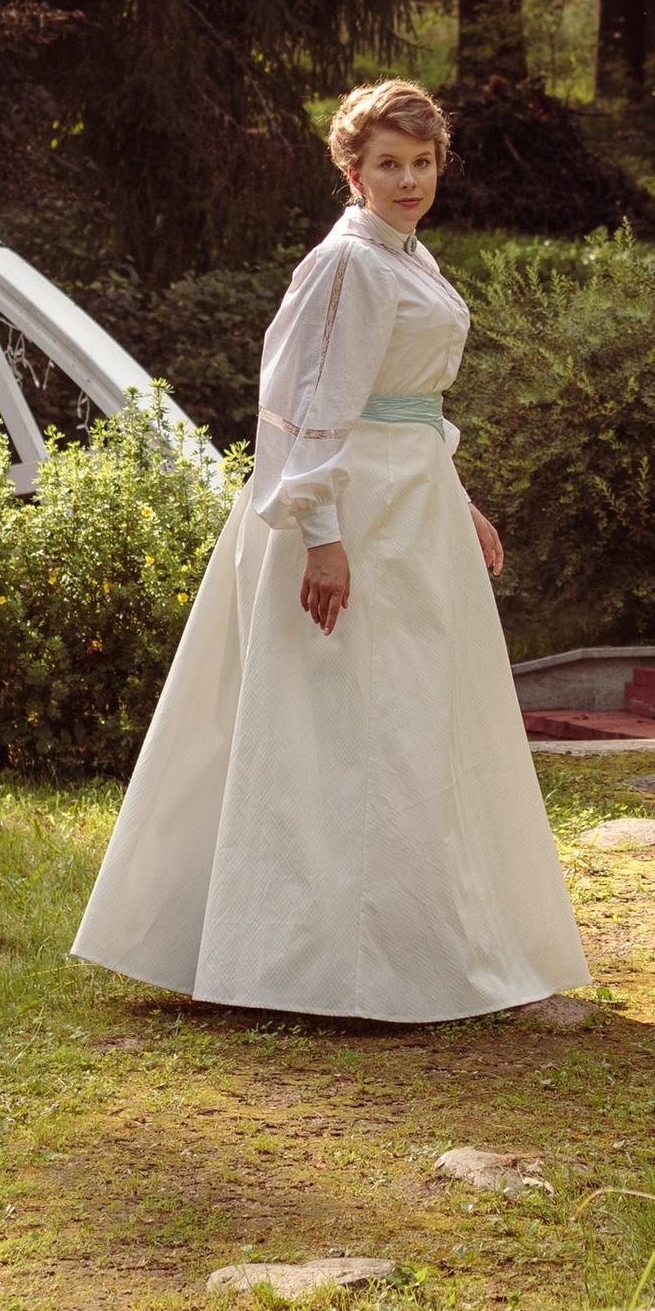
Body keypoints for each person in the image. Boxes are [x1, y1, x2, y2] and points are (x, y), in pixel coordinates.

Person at [72, 78, 590, 1023]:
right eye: (388, 164)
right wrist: (321, 540)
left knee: (408, 721)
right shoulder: (348, 263)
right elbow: (308, 406)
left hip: (411, 505)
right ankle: (309, 963)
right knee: (337, 728)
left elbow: (412, 404)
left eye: (422, 163)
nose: (408, 180)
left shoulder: (408, 257)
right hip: (353, 515)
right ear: (354, 172)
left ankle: (414, 945)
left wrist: (459, 500)